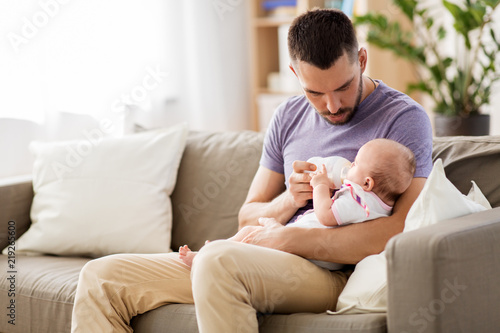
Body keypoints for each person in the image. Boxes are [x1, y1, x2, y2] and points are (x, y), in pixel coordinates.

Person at [71, 8, 433, 333]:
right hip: (260, 255)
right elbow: (249, 215)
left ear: (363, 60)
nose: (333, 105)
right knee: (101, 278)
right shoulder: (287, 118)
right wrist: (291, 200)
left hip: (333, 271)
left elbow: (400, 229)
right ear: (294, 73)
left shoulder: (403, 119)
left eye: (343, 86)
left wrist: (289, 239)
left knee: (217, 260)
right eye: (315, 93)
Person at [178, 138, 416, 270]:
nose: (349, 165)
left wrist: (321, 185)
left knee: (251, 234)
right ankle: (212, 253)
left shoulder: (358, 200)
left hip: (305, 252)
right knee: (251, 233)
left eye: (355, 164)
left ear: (367, 182)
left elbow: (325, 215)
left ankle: (207, 255)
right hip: (310, 252)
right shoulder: (377, 207)